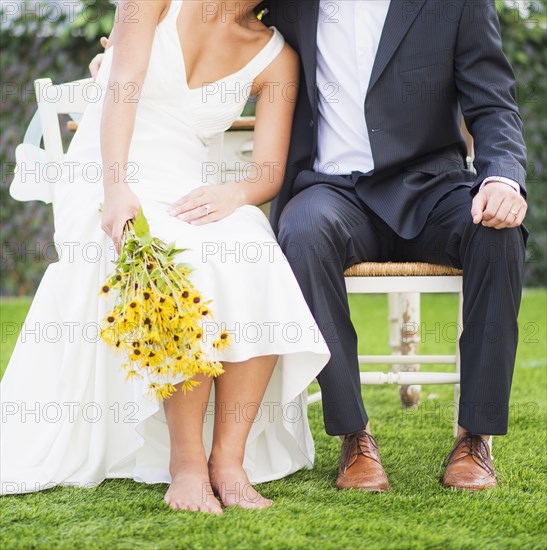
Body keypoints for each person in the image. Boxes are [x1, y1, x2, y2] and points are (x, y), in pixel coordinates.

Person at [1, 0, 330, 514]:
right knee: (182, 256)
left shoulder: (276, 58)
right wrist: (116, 191)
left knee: (253, 245)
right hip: (107, 171)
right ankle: (187, 464)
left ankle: (229, 460)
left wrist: (235, 195)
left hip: (186, 183)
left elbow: (266, 172)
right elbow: (120, 90)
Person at [257, 0, 528, 492]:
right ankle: (353, 436)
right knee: (301, 230)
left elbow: (493, 106)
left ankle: (475, 437)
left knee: (498, 232)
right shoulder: (292, 4)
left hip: (430, 187)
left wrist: (503, 179)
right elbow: (218, 22)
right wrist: (132, 57)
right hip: (334, 191)